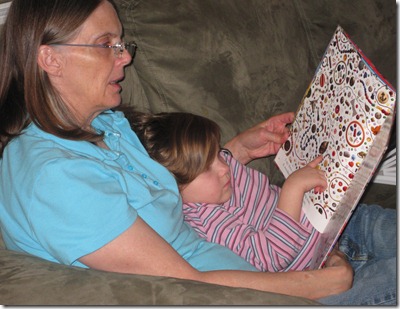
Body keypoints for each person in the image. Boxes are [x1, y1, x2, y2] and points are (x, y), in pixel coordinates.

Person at [0, 0, 395, 305]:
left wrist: (235, 150)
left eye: (121, 43)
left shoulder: (103, 124)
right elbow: (182, 279)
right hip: (259, 294)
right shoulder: (52, 178)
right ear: (50, 58)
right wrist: (316, 282)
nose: (125, 57)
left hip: (285, 261)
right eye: (107, 45)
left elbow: (167, 188)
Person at [127, 110, 326, 272]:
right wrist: (293, 188)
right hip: (318, 258)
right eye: (206, 168)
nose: (224, 167)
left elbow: (226, 158)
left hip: (326, 215)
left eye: (217, 153)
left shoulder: (217, 176)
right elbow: (272, 257)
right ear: (174, 189)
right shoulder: (207, 220)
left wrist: (242, 144)